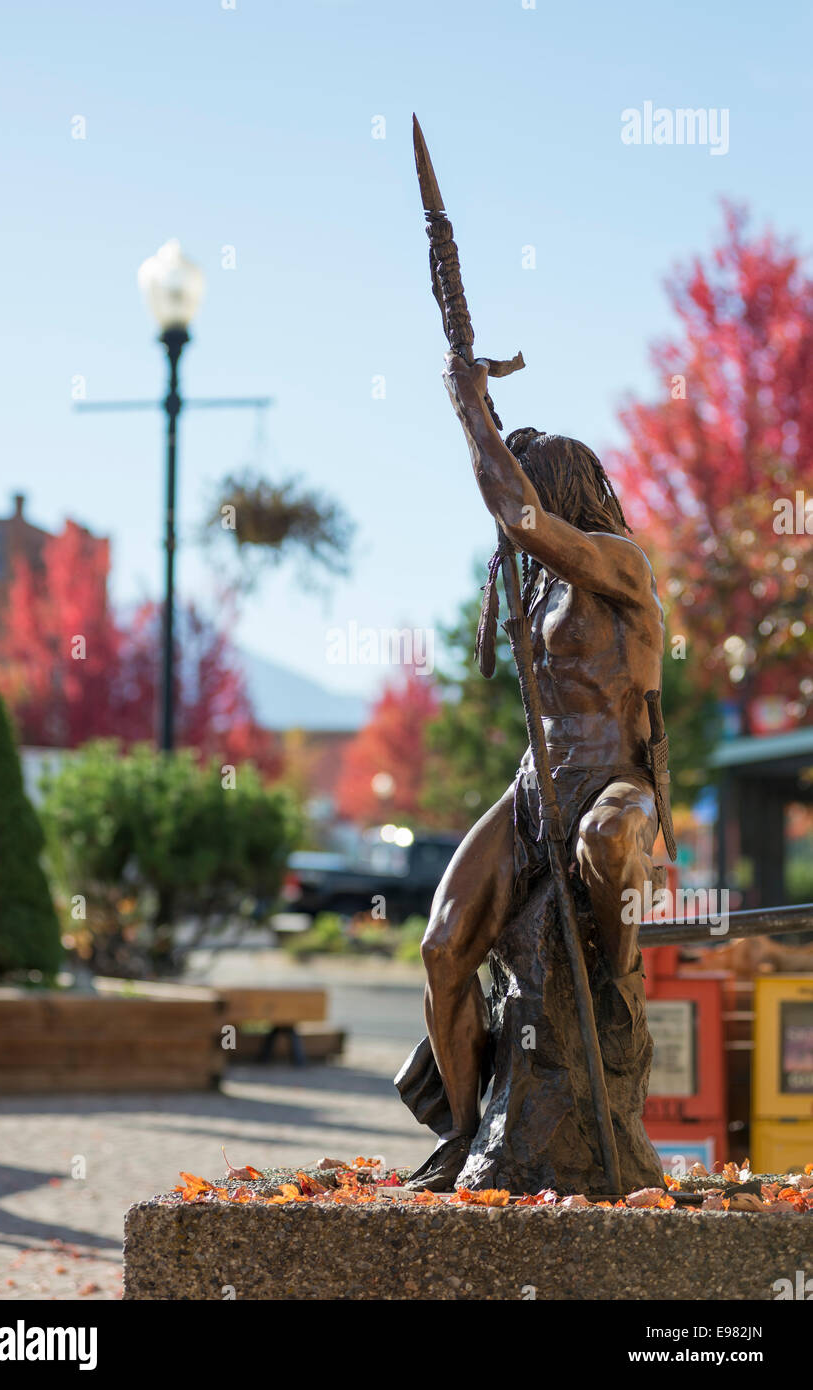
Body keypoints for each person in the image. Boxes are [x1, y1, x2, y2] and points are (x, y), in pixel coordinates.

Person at [406, 352, 668, 1192]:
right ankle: (463, 1129)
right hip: (534, 786)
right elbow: (516, 519)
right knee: (444, 947)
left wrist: (466, 409)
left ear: (563, 493)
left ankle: (611, 973)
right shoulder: (544, 595)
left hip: (612, 780)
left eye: (538, 490)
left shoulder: (623, 565)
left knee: (608, 834)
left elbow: (517, 512)